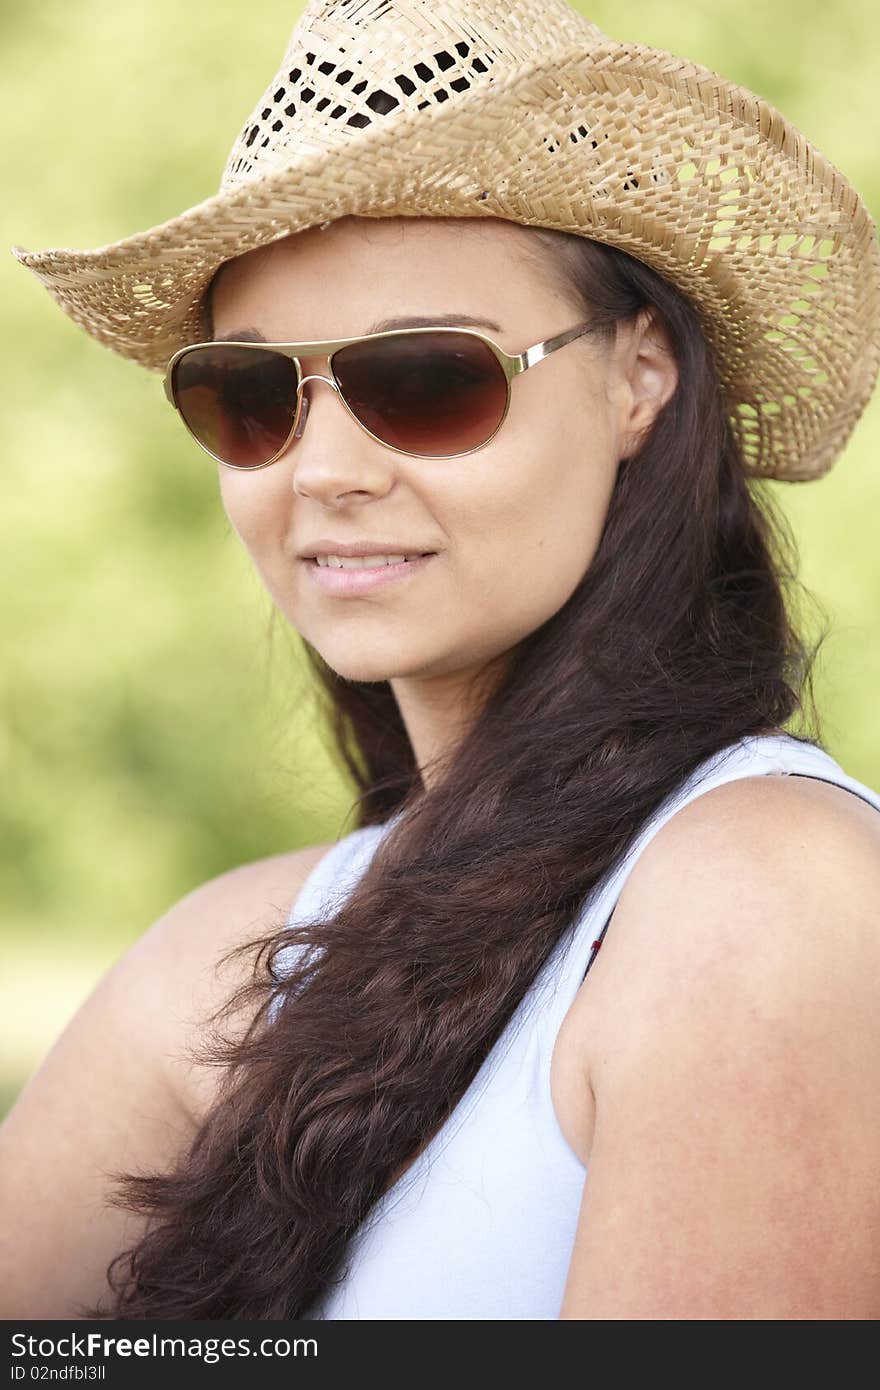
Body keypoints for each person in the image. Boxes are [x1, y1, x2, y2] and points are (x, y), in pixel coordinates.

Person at [4, 0, 880, 1321]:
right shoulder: (230, 954)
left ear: (640, 376)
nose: (328, 471)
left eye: (426, 379)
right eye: (252, 396)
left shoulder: (761, 905)